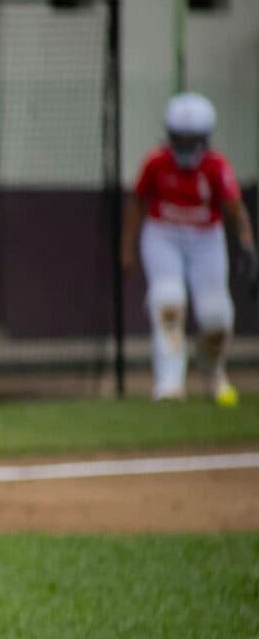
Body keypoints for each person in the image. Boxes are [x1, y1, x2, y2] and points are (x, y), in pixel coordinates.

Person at [121, 92, 257, 405]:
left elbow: (236, 209)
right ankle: (169, 386)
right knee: (168, 302)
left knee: (216, 314)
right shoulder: (156, 162)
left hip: (206, 239)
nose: (184, 146)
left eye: (190, 139)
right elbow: (137, 204)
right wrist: (126, 248)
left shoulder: (216, 166)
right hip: (163, 235)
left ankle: (214, 375)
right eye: (179, 139)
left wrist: (248, 247)